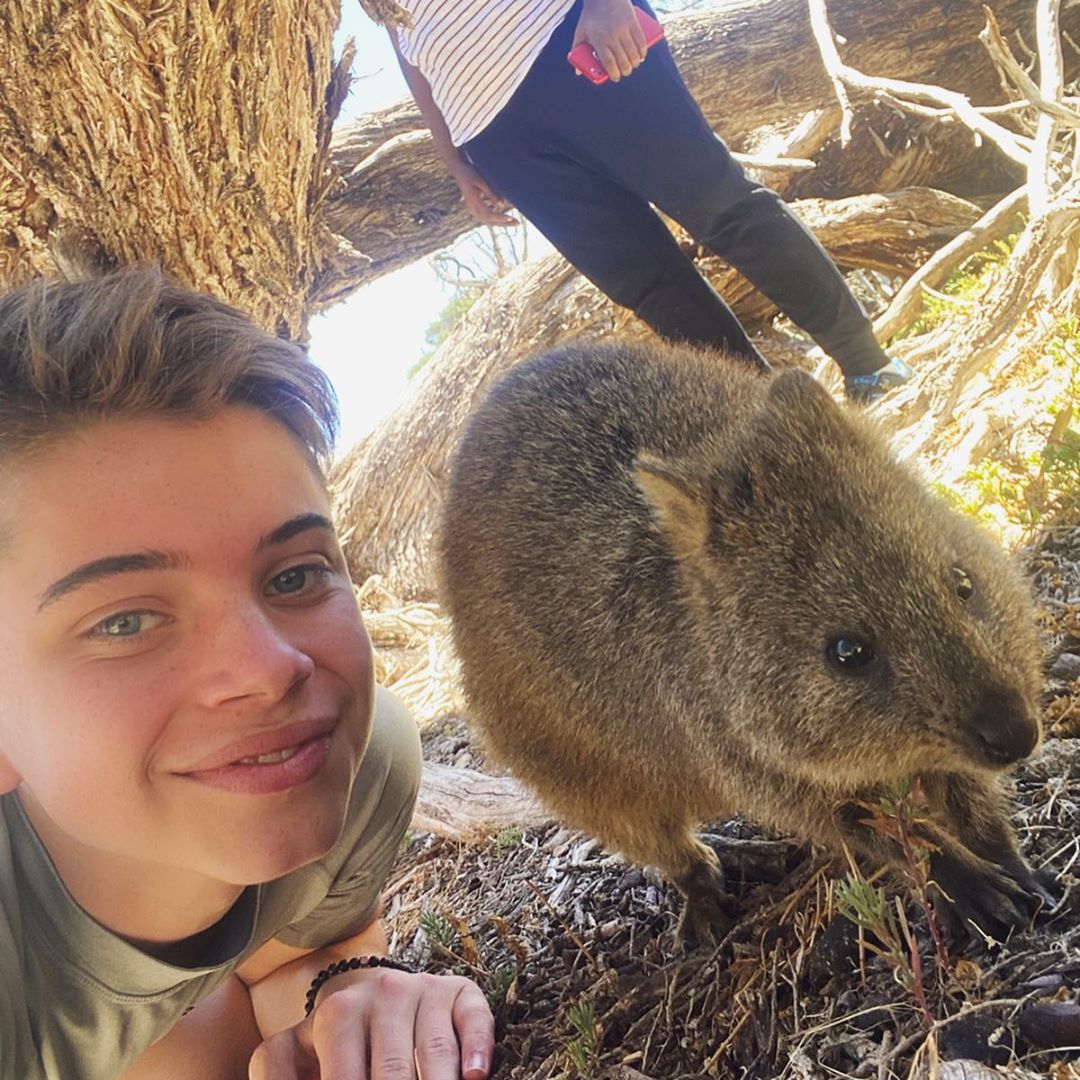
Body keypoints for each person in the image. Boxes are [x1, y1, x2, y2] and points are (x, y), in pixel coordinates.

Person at [0, 267, 495, 1080]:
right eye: (124, 621)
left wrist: (352, 990)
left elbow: (298, 957)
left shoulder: (346, 764)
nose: (272, 672)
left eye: (295, 575)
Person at [389, 0, 913, 404]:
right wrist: (456, 160)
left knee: (721, 206)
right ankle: (775, 422)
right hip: (492, 135)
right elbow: (406, 45)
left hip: (571, 39)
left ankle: (869, 366)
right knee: (648, 285)